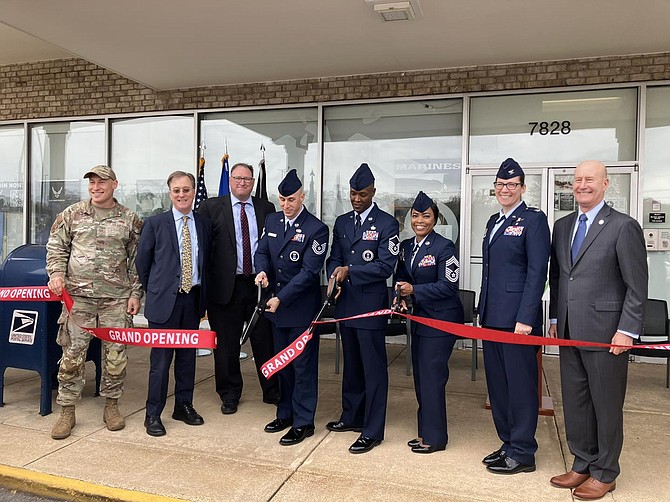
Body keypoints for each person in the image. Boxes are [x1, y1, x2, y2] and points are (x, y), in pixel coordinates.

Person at [548, 160, 647, 500]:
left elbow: (637, 286)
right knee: (575, 402)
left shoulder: (623, 226)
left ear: (606, 184)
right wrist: (556, 318)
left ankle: (605, 472)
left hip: (607, 334)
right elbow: (559, 277)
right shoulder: (562, 226)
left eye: (590, 179)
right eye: (577, 180)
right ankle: (582, 462)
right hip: (570, 330)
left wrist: (627, 330)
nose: (582, 185)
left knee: (605, 405)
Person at [46, 165, 143, 440]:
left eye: (102, 182)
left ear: (115, 184)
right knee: (72, 356)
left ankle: (111, 406)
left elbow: (138, 261)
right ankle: (67, 411)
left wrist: (136, 294)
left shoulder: (129, 219)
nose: (96, 187)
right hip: (78, 299)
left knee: (115, 356)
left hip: (116, 299)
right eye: (92, 183)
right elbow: (57, 246)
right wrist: (56, 274)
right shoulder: (72, 214)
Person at [478, 158, 550, 474]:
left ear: (522, 188)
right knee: (499, 386)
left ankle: (523, 451)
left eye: (511, 184)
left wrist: (526, 316)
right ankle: (508, 443)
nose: (505, 189)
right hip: (493, 316)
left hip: (517, 320)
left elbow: (537, 271)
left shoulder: (533, 219)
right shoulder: (494, 220)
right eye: (500, 184)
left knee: (520, 386)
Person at [325, 162, 400, 454]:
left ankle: (372, 429)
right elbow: (334, 257)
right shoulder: (342, 222)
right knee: (352, 366)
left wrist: (350, 271)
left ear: (374, 193)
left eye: (363, 194)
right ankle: (352, 416)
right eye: (353, 193)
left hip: (370, 307)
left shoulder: (386, 223)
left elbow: (385, 266)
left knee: (374, 369)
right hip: (346, 304)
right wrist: (334, 275)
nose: (357, 199)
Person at [197, 162, 280, 414]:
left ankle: (272, 390)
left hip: (258, 285)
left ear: (253, 182)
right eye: (237, 178)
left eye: (247, 179)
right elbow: (204, 249)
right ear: (230, 180)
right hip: (225, 288)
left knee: (265, 341)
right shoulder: (211, 207)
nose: (242, 182)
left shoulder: (267, 208)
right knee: (226, 346)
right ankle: (229, 394)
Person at [254, 169, 329, 446]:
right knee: (281, 366)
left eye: (292, 200)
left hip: (299, 310)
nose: (286, 205)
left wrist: (281, 297)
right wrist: (261, 272)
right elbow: (262, 251)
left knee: (302, 368)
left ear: (303, 197)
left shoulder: (317, 229)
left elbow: (309, 273)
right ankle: (284, 413)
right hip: (276, 310)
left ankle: (303, 422)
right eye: (283, 199)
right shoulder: (273, 219)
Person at [136, 171, 212, 436]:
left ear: (193, 192)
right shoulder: (155, 224)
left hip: (192, 301)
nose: (182, 195)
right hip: (164, 304)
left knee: (187, 359)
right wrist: (156, 291)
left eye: (186, 190)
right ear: (170, 193)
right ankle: (152, 413)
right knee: (161, 362)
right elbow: (142, 265)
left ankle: (183, 405)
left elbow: (206, 260)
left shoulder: (202, 223)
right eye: (177, 190)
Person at [394, 191, 463, 454]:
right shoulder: (407, 246)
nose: (419, 221)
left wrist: (414, 291)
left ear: (435, 219)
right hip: (420, 320)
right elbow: (400, 277)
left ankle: (435, 438)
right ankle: (425, 431)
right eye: (415, 216)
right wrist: (399, 295)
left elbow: (449, 285)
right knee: (422, 378)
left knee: (432, 378)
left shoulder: (444, 247)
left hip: (441, 321)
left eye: (426, 216)